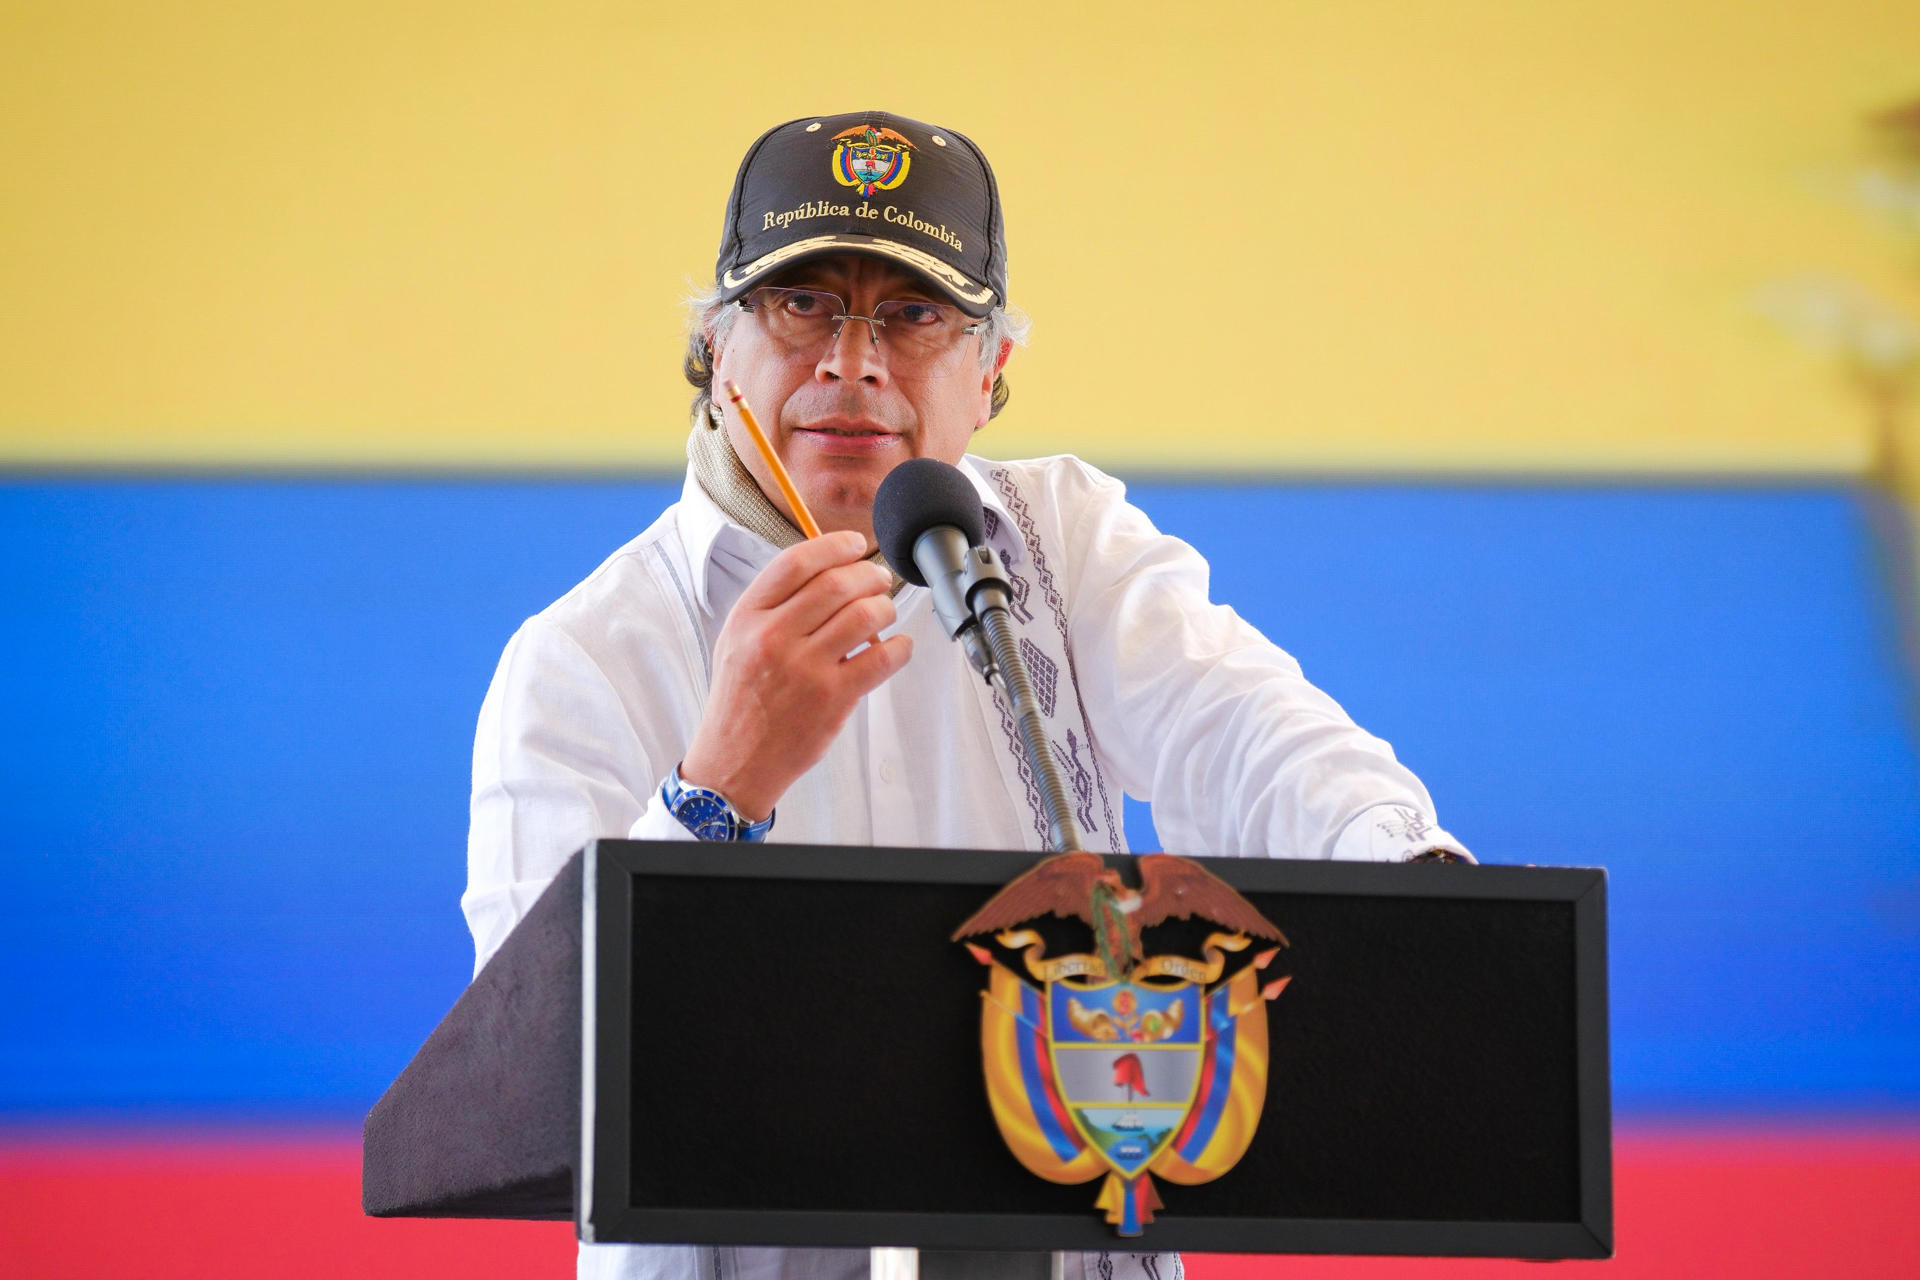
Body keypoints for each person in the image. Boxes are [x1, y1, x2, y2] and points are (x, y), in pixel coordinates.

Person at [463, 110, 1468, 1280]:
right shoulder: (579, 658)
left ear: (990, 374)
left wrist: (1413, 881)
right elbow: (526, 1084)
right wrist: (716, 790)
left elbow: (1248, 731)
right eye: (803, 303)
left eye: (914, 314)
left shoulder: (1067, 543)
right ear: (714, 350)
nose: (853, 362)